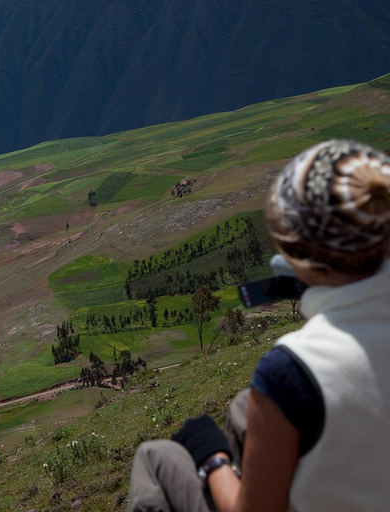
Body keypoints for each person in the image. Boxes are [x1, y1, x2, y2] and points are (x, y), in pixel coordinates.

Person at [128, 140, 390, 512]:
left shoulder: (293, 370)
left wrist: (211, 458)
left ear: (295, 254)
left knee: (155, 457)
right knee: (243, 407)